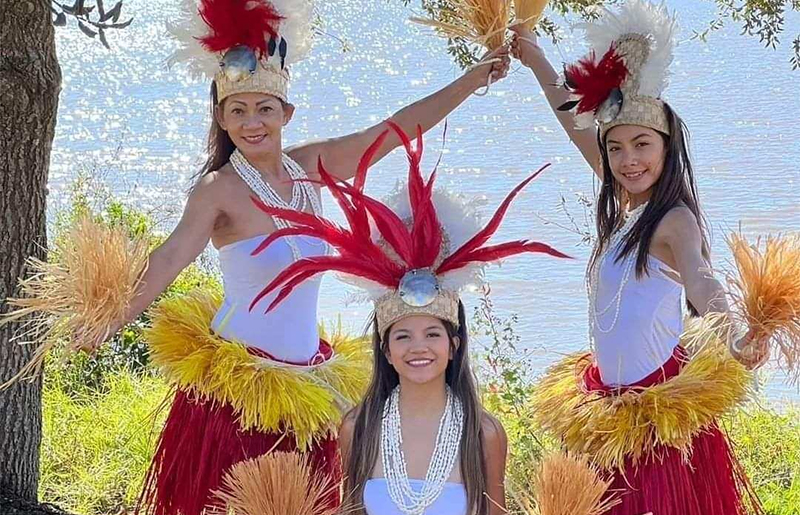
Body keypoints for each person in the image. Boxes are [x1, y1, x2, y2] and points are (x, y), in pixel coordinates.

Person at [70, 0, 510, 513]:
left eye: (264, 109)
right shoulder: (219, 191)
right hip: (237, 392)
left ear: (287, 113)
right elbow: (169, 259)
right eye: (238, 111)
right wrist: (110, 319)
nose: (252, 123)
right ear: (221, 116)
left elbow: (393, 131)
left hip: (306, 385)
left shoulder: (310, 167)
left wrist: (470, 80)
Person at [508, 1, 767, 514]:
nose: (630, 160)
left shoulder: (672, 219)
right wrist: (532, 52)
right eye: (617, 148)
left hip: (656, 414)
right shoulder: (623, 204)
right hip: (607, 404)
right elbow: (571, 119)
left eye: (643, 144)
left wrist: (733, 332)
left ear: (667, 148)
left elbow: (702, 279)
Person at [251, 122, 569, 515]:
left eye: (432, 333)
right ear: (384, 349)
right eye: (402, 336)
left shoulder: (482, 434)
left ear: (454, 345)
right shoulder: (359, 429)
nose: (418, 347)